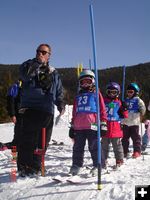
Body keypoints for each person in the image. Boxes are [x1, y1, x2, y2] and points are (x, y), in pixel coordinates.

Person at [17, 43, 65, 177]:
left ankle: (37, 166)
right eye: (38, 51)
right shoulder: (28, 65)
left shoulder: (53, 71)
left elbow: (59, 89)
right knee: (28, 138)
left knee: (43, 140)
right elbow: (23, 76)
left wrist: (60, 103)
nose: (40, 54)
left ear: (49, 55)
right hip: (30, 106)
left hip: (47, 108)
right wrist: (36, 68)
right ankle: (24, 166)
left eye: (44, 52)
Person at [69, 69, 107, 176]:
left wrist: (103, 123)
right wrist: (72, 126)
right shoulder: (78, 95)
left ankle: (99, 165)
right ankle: (76, 165)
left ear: (93, 82)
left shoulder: (96, 93)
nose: (85, 84)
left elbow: (102, 109)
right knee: (77, 147)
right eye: (83, 82)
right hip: (79, 126)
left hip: (93, 125)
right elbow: (74, 111)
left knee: (94, 146)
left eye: (88, 81)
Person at [101, 82, 128, 168]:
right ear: (107, 92)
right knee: (104, 146)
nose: (112, 94)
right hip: (105, 127)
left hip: (116, 128)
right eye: (110, 92)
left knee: (117, 146)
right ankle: (103, 159)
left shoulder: (119, 103)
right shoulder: (103, 101)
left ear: (118, 93)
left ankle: (119, 159)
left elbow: (125, 116)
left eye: (114, 92)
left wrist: (124, 108)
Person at [122, 83, 146, 158]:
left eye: (131, 92)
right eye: (128, 92)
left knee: (136, 138)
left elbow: (143, 109)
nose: (129, 94)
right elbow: (121, 109)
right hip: (126, 122)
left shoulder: (138, 100)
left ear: (135, 92)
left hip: (134, 122)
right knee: (125, 138)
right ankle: (125, 151)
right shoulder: (125, 100)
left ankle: (137, 151)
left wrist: (141, 110)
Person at [0, 80, 22, 151]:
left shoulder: (28, 86)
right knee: (17, 136)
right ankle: (14, 156)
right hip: (18, 115)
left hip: (26, 115)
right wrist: (12, 115)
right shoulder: (15, 87)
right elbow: (10, 102)